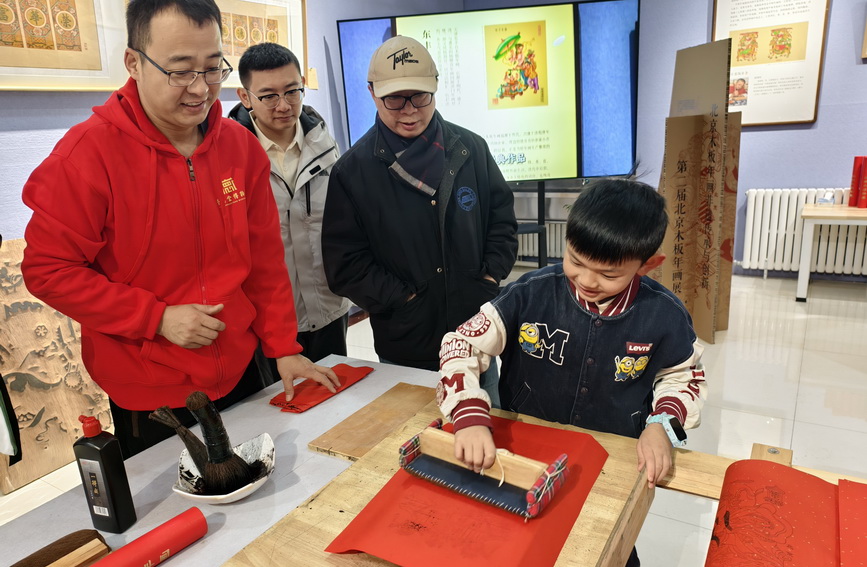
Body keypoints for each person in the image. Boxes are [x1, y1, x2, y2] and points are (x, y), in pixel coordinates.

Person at [21, 0, 338, 458]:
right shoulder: (86, 156)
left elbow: (264, 262)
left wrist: (283, 346)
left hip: (242, 369)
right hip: (151, 388)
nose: (200, 88)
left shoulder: (240, 148)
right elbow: (49, 271)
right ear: (134, 63)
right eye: (180, 71)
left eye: (212, 68)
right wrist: (157, 318)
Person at [322, 35, 518, 379]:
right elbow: (345, 265)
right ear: (372, 93)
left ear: (435, 87)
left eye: (419, 96)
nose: (410, 110)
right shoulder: (353, 171)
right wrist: (403, 299)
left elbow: (501, 221)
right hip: (406, 342)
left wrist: (488, 277)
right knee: (412, 415)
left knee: (482, 411)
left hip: (474, 333)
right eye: (394, 99)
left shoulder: (471, 149)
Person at [229, 43, 350, 374]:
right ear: (245, 97)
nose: (283, 105)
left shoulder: (324, 143)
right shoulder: (230, 155)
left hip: (328, 305)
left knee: (336, 393)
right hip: (265, 320)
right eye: (268, 96)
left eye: (292, 91)